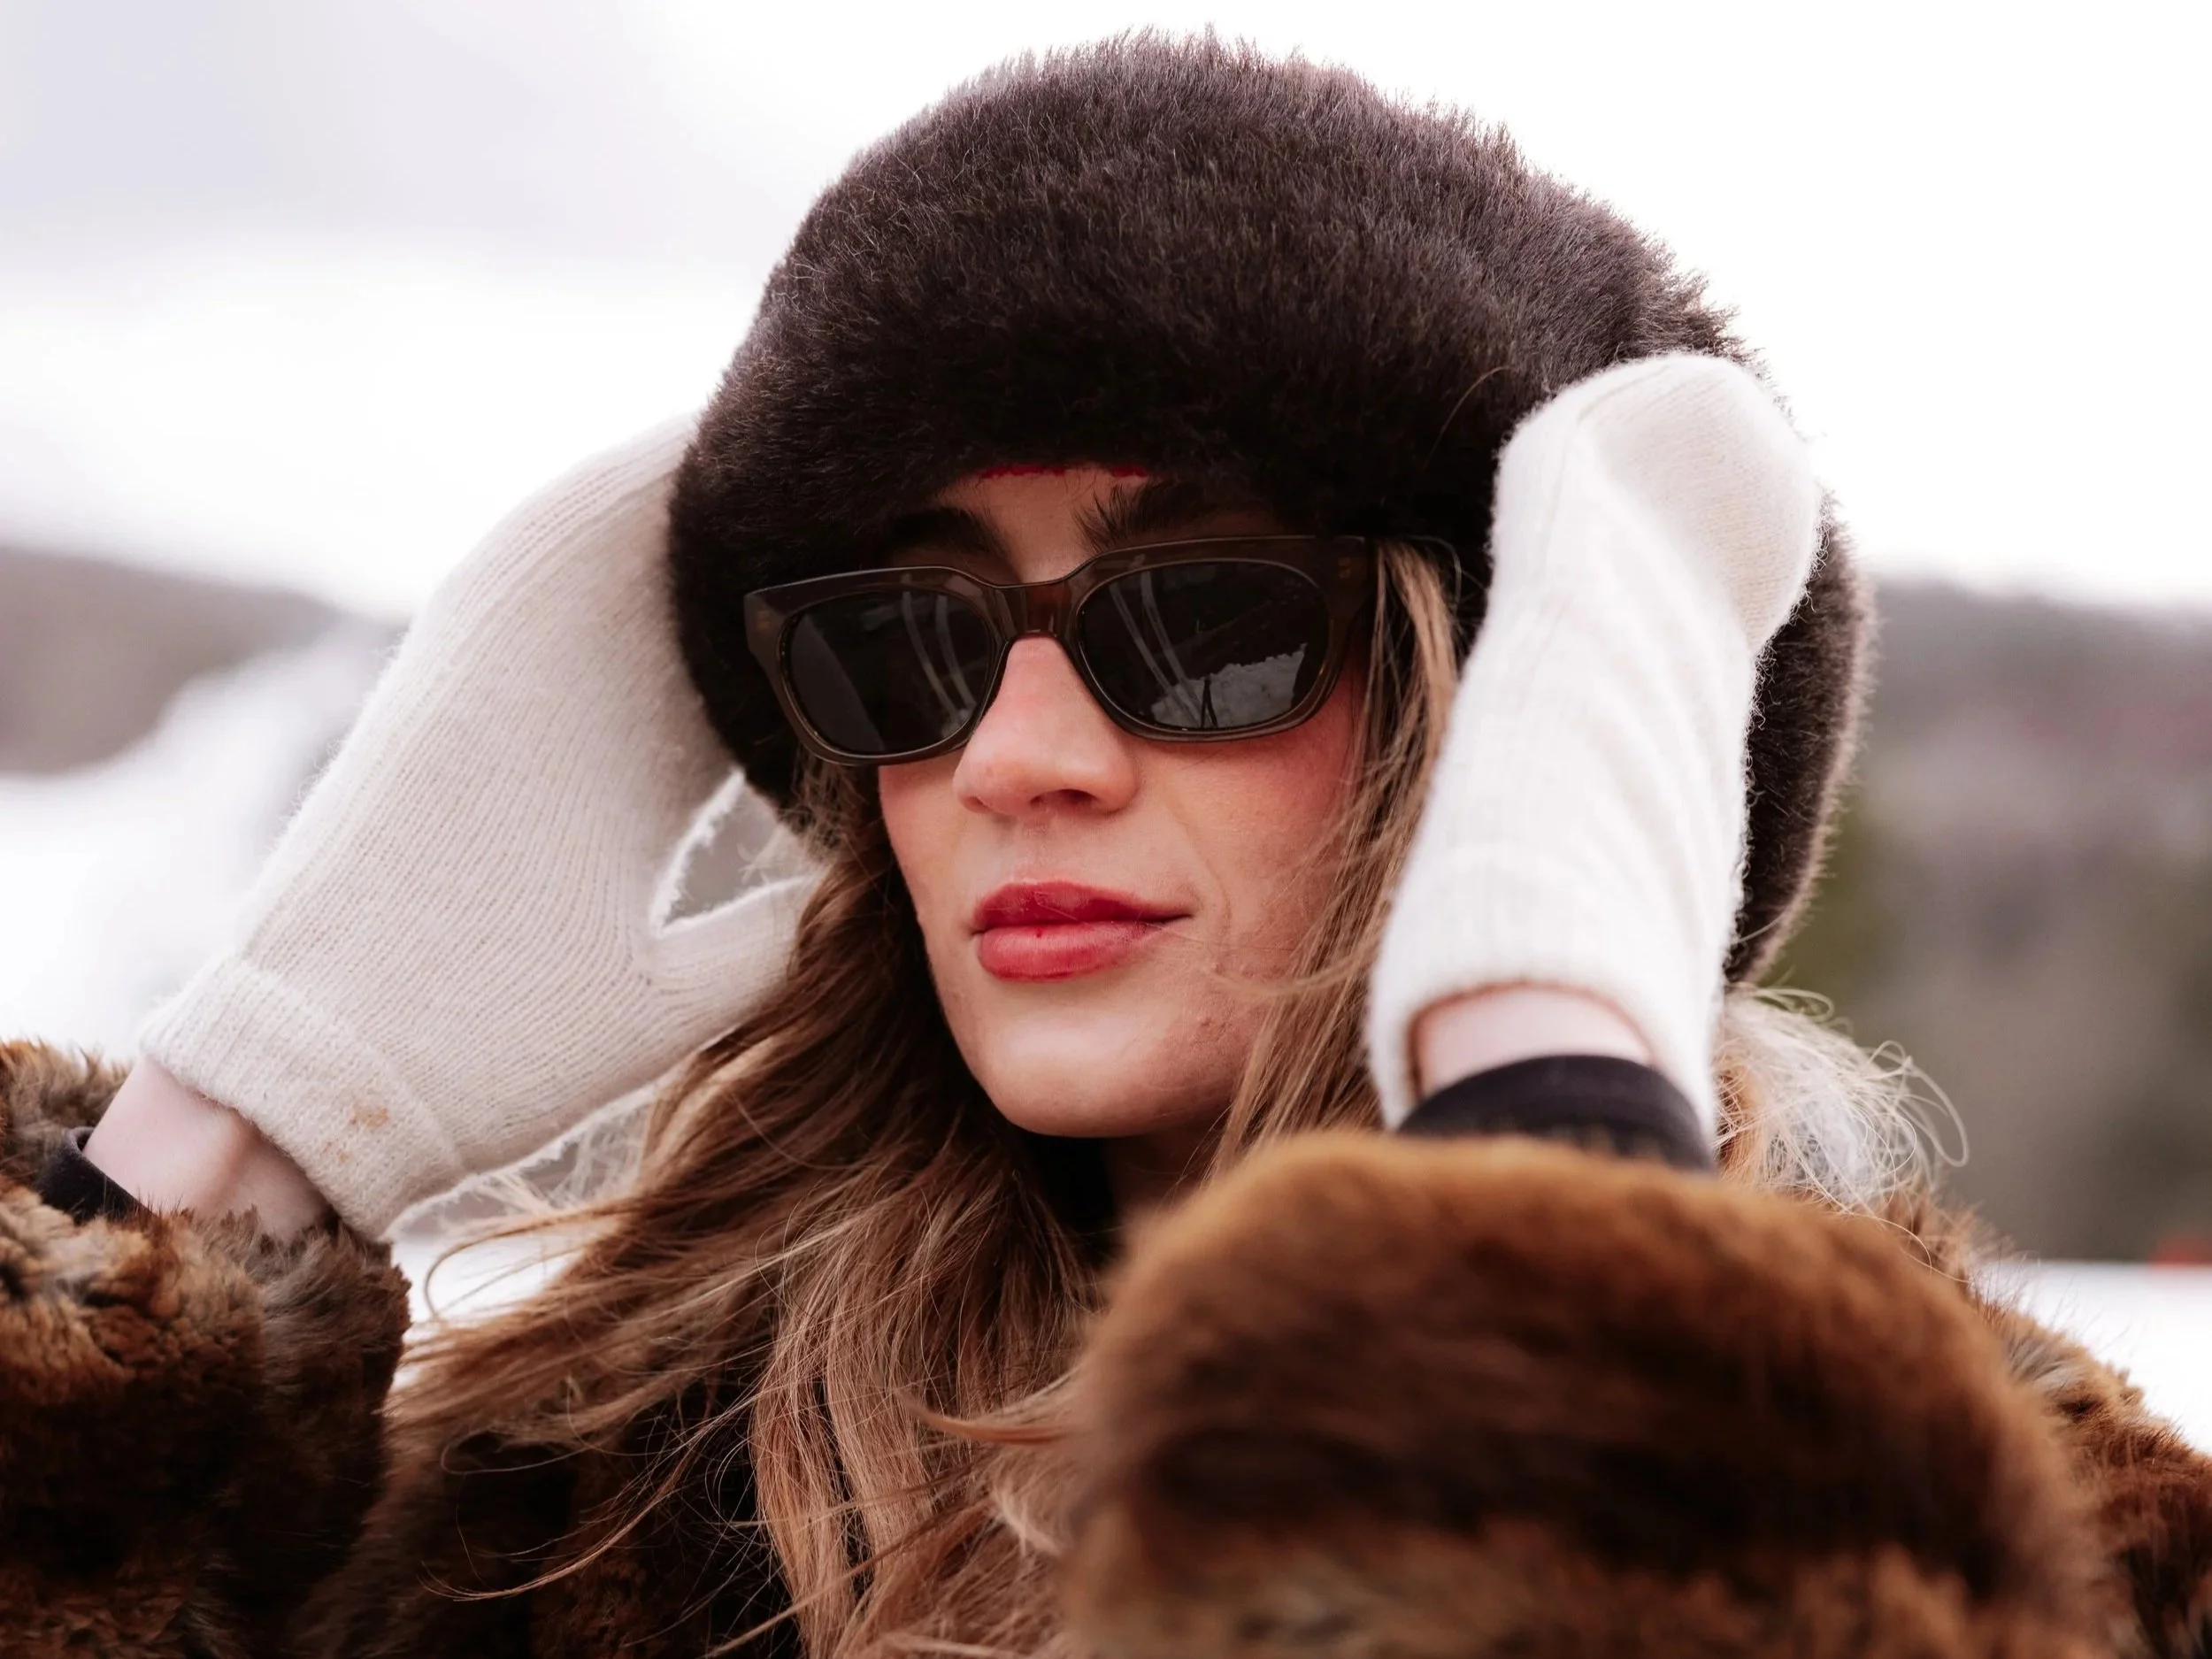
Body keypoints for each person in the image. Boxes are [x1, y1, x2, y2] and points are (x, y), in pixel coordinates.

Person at [1, 35, 2205, 1659]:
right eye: (905, 643)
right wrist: (216, 1155)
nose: (1016, 755)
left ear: (1526, 721)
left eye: (1210, 620)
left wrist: (1548, 1158)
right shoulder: (536, 1532)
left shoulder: (2013, 1535)